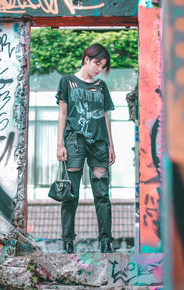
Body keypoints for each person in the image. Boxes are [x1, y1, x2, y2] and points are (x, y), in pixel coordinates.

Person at [56, 43, 115, 253]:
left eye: (103, 65)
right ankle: (67, 242)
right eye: (97, 63)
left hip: (99, 143)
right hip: (74, 142)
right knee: (71, 195)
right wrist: (59, 144)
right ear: (86, 59)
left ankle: (106, 241)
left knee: (102, 194)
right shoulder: (67, 82)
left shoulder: (101, 87)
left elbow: (105, 115)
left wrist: (110, 145)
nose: (99, 68)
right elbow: (63, 113)